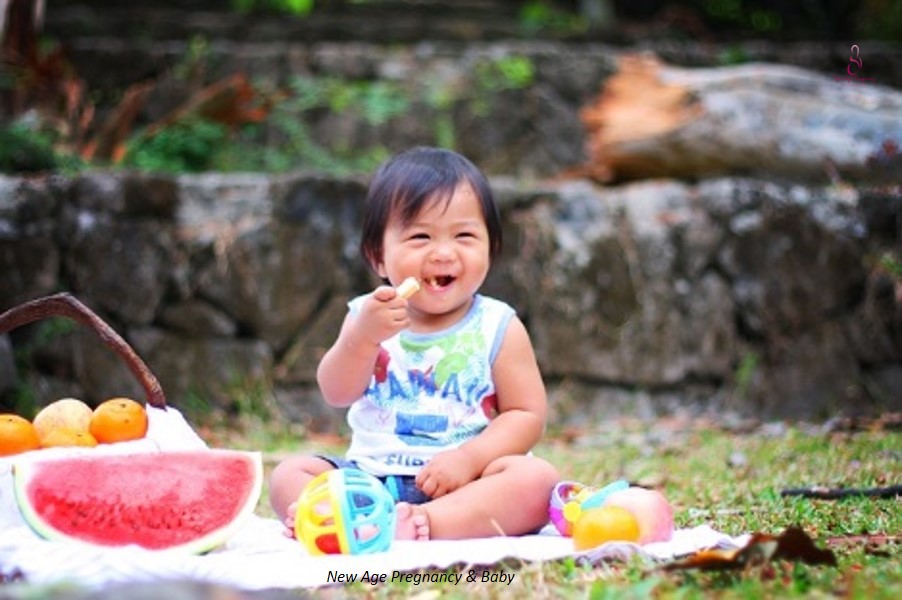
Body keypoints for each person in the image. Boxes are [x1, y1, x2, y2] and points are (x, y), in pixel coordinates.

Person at [269, 146, 559, 541]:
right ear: (379, 258)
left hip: (466, 482)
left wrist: (468, 459)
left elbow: (526, 414)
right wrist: (361, 339)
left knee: (535, 480)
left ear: (490, 249)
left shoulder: (498, 326)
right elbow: (336, 392)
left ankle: (429, 523)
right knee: (290, 475)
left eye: (465, 235)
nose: (443, 252)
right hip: (370, 480)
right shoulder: (365, 316)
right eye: (420, 236)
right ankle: (356, 518)